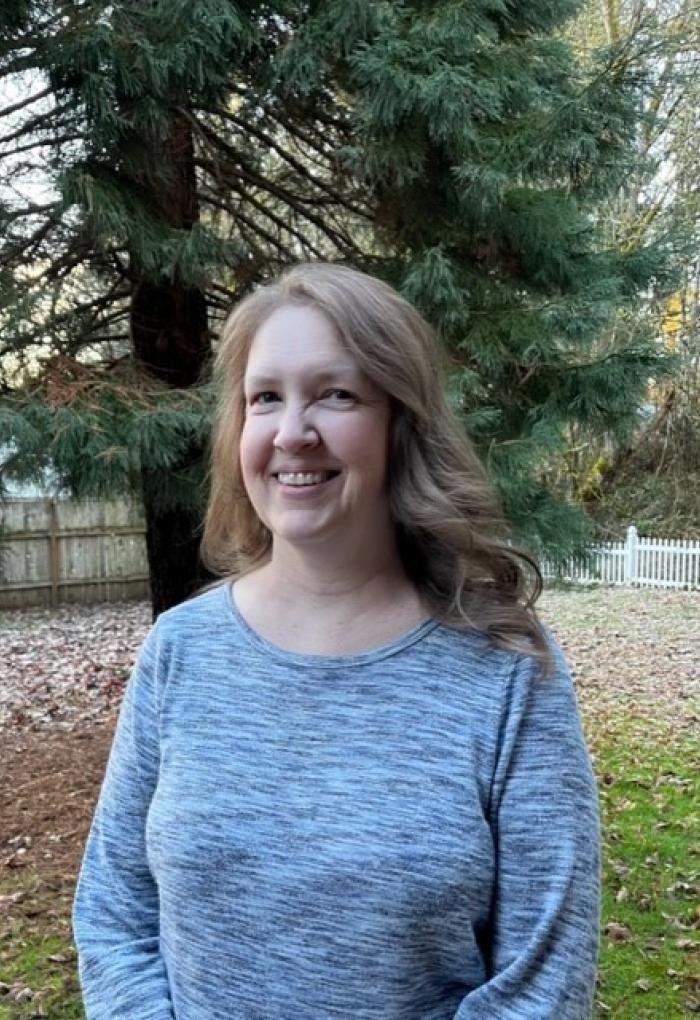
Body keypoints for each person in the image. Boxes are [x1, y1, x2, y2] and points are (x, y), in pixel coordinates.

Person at [73, 263, 600, 1019]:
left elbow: (544, 982)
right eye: (266, 399)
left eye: (336, 394)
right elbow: (115, 915)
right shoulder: (179, 652)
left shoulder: (506, 670)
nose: (293, 432)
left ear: (401, 420)